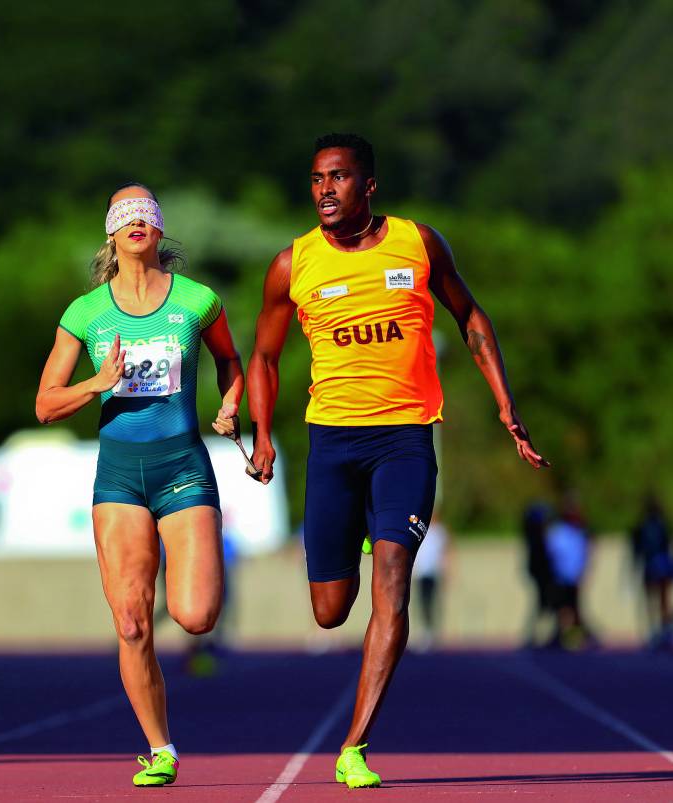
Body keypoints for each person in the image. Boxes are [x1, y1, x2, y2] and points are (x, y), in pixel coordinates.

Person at [247, 133, 548, 788]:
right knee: (330, 609)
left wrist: (505, 403)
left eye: (340, 177)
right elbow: (265, 357)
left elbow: (470, 317)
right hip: (331, 443)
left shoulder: (417, 244)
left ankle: (354, 745)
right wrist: (263, 433)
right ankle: (355, 527)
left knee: (391, 576)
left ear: (369, 185)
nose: (326, 189)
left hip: (404, 438)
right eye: (317, 179)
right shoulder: (290, 264)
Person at [35, 183, 244, 787]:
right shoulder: (85, 313)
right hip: (120, 475)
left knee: (196, 615)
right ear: (111, 233)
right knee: (131, 620)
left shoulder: (197, 301)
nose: (135, 223)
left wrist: (231, 404)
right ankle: (161, 749)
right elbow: (46, 404)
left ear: (158, 230)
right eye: (124, 216)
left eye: (145, 214)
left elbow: (231, 361)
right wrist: (97, 382)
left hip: (183, 468)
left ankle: (191, 633)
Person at [545, 492, 593, 649]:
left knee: (575, 608)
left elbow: (586, 553)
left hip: (574, 576)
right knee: (562, 608)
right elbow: (552, 552)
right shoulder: (558, 531)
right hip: (561, 577)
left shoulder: (580, 531)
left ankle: (577, 636)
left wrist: (584, 571)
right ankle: (562, 635)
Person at [629, 493, 673, 644]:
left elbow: (638, 549)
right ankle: (661, 630)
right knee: (661, 600)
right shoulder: (657, 525)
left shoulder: (645, 526)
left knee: (654, 601)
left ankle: (658, 631)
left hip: (653, 566)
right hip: (658, 566)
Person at [411, 512, 449, 651]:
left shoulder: (440, 531)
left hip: (433, 573)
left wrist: (447, 571)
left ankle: (432, 632)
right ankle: (424, 631)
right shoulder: (421, 528)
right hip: (421, 573)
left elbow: (446, 552)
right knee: (421, 602)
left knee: (432, 602)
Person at [521, 501, 555, 647]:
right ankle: (535, 635)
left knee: (545, 605)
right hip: (543, 575)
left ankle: (539, 635)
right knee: (543, 605)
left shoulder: (535, 537)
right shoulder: (536, 538)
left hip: (543, 574)